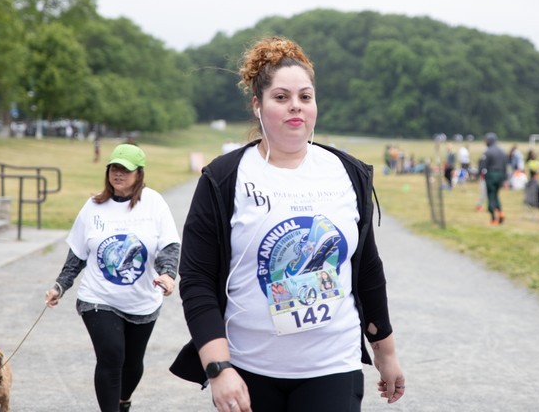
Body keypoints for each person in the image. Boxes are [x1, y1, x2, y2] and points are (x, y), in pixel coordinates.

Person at [170, 36, 405, 411]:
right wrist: (218, 369)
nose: (295, 105)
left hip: (333, 364)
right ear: (257, 105)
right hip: (248, 369)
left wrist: (385, 352)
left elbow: (367, 270)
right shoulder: (224, 178)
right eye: (281, 97)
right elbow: (197, 280)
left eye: (305, 96)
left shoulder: (347, 172)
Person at [44, 143, 181, 412]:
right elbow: (77, 254)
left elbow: (168, 245)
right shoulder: (93, 206)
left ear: (139, 173)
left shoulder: (153, 203)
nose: (118, 174)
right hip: (98, 297)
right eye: (114, 168)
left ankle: (123, 400)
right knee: (111, 355)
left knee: (132, 363)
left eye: (125, 170)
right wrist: (60, 286)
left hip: (142, 300)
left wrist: (167, 274)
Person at [480, 133, 508, 225]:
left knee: (491, 195)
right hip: (500, 175)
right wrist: (505, 178)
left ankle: (493, 217)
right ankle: (500, 212)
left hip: (491, 175)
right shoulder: (502, 151)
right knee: (496, 194)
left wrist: (480, 174)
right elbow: (505, 166)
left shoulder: (488, 151)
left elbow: (483, 166)